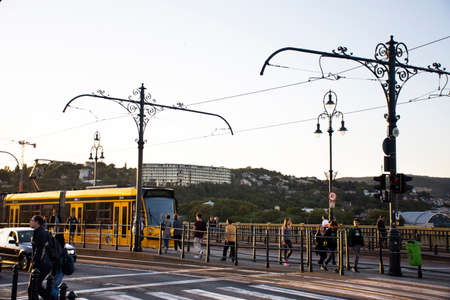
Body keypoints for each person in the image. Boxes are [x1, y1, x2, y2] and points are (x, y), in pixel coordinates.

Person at [28, 215, 52, 300]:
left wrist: (35, 265)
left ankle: (49, 298)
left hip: (42, 264)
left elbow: (40, 251)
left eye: (32, 220)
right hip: (45, 263)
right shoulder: (41, 231)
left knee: (33, 287)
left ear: (37, 222)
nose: (30, 221)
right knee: (35, 287)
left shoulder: (40, 233)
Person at [50, 233, 65, 300]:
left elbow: (55, 261)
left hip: (57, 269)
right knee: (55, 286)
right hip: (61, 270)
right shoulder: (63, 248)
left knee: (53, 287)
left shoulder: (56, 248)